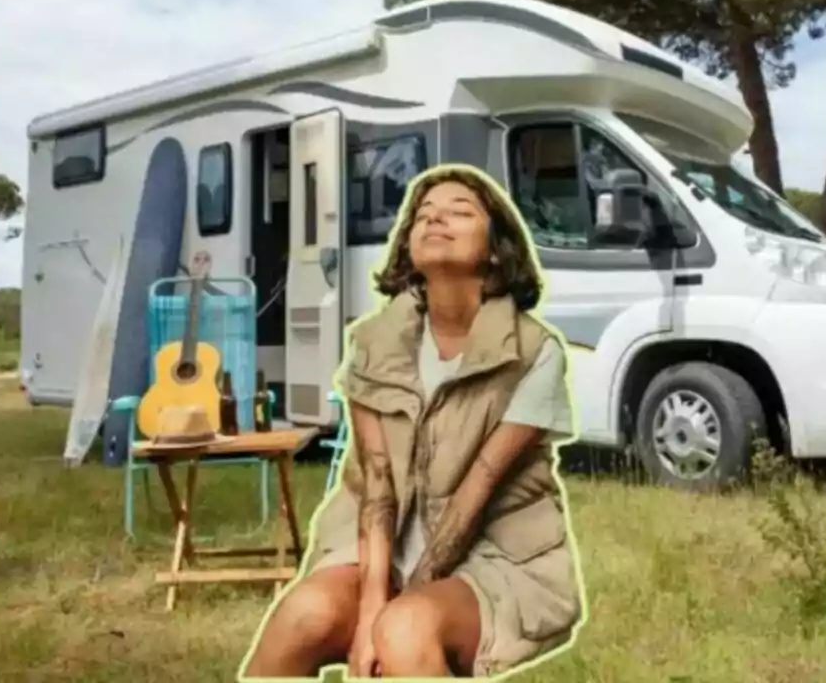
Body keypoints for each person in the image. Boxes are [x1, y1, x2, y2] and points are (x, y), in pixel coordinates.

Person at [243, 164, 585, 680]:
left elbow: (477, 492)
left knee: (403, 632)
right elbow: (376, 487)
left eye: (459, 212)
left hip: (496, 556)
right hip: (381, 548)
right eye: (423, 215)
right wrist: (370, 609)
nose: (435, 220)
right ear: (408, 249)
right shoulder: (372, 344)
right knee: (301, 617)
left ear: (496, 249)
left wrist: (391, 618)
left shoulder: (534, 353)